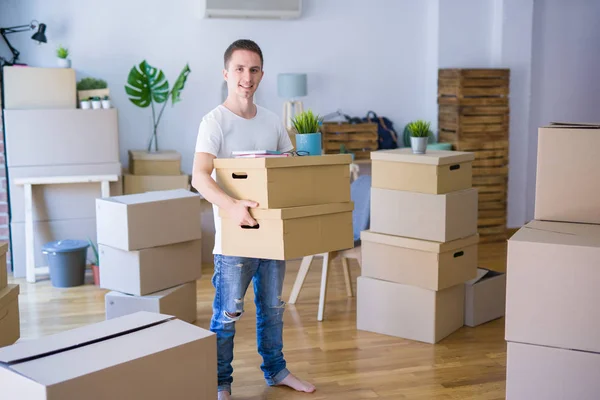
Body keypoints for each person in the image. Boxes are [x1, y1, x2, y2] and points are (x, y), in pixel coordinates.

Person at [191, 39, 316, 400]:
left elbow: (287, 171)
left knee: (273, 309)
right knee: (228, 313)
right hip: (234, 238)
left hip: (271, 238)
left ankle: (276, 371)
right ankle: (220, 381)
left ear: (262, 73)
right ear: (227, 73)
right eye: (241, 69)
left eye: (255, 69)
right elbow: (199, 176)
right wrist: (232, 207)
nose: (248, 77)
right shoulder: (213, 122)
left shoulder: (273, 120)